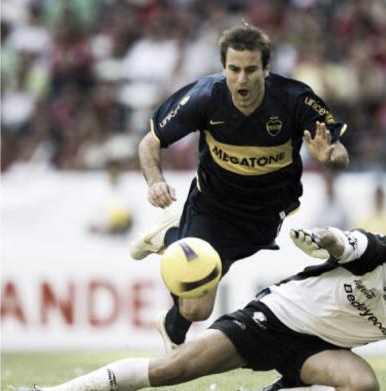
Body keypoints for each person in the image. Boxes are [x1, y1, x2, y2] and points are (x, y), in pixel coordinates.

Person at [19, 205, 386, 391]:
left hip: (314, 351)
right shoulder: (374, 249)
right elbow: (341, 240)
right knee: (173, 372)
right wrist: (319, 237)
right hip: (274, 319)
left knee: (362, 383)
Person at [128, 23, 349, 352]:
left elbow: (341, 154)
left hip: (264, 213)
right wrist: (156, 181)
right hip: (212, 205)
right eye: (234, 70)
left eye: (250, 70)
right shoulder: (205, 96)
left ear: (267, 69)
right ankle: (174, 239)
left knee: (206, 286)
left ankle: (171, 258)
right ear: (223, 68)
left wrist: (329, 155)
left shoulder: (295, 99)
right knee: (199, 308)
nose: (242, 80)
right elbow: (150, 143)